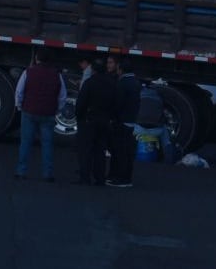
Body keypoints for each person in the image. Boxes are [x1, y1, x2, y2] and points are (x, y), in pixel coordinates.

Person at [13, 51, 66, 182]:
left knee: (26, 142)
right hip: (48, 112)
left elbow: (19, 91)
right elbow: (62, 96)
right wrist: (57, 109)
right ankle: (47, 173)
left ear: (37, 59)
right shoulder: (57, 75)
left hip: (29, 110)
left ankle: (21, 171)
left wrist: (20, 106)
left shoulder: (28, 72)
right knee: (47, 144)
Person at [75, 56, 120, 186]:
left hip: (89, 119)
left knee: (86, 150)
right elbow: (116, 103)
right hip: (104, 119)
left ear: (93, 70)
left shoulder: (89, 83)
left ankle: (85, 177)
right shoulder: (112, 84)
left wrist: (79, 116)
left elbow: (81, 103)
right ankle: (100, 178)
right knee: (100, 150)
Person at [107, 57, 140, 188]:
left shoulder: (122, 83)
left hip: (121, 121)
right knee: (127, 152)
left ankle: (120, 178)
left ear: (121, 69)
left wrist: (112, 117)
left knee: (119, 152)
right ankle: (125, 178)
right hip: (131, 120)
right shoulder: (135, 82)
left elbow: (118, 104)